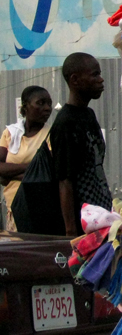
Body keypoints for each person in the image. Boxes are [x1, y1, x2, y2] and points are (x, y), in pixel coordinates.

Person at [51, 53, 113, 236]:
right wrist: (71, 231)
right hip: (82, 226)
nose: (101, 80)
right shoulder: (65, 123)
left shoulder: (88, 115)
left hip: (99, 217)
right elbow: (65, 180)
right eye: (94, 75)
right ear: (75, 80)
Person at [0, 86, 53, 231]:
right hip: (12, 209)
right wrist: (34, 167)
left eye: (49, 103)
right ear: (25, 107)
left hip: (37, 211)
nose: (47, 108)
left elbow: (46, 175)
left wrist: (8, 174)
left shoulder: (51, 135)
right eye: (41, 103)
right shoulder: (10, 133)